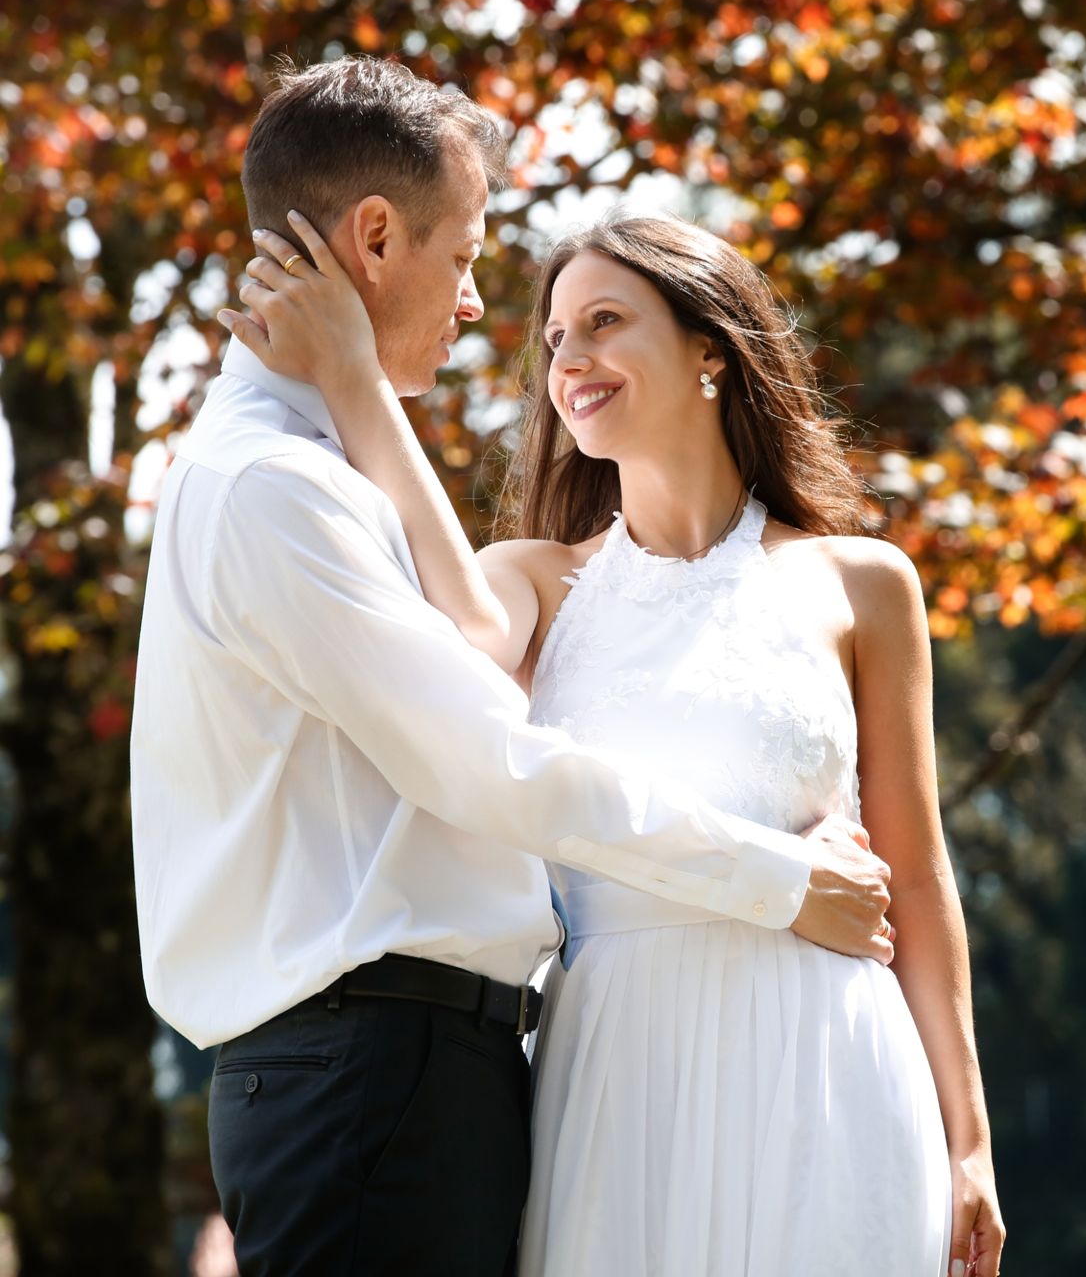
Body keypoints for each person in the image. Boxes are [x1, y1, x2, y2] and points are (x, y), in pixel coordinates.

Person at [131, 57, 895, 1277]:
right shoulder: (276, 489)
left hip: (417, 1075)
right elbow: (486, 761)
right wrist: (776, 877)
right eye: (469, 252)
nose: (481, 301)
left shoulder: (315, 471)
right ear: (376, 236)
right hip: (369, 1083)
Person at [227, 202, 1008, 1275]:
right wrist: (357, 377)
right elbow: (461, 636)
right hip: (613, 1074)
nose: (569, 358)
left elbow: (916, 881)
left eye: (603, 322)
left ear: (710, 353)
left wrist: (970, 1141)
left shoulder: (864, 584)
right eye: (554, 339)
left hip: (832, 1068)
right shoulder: (533, 583)